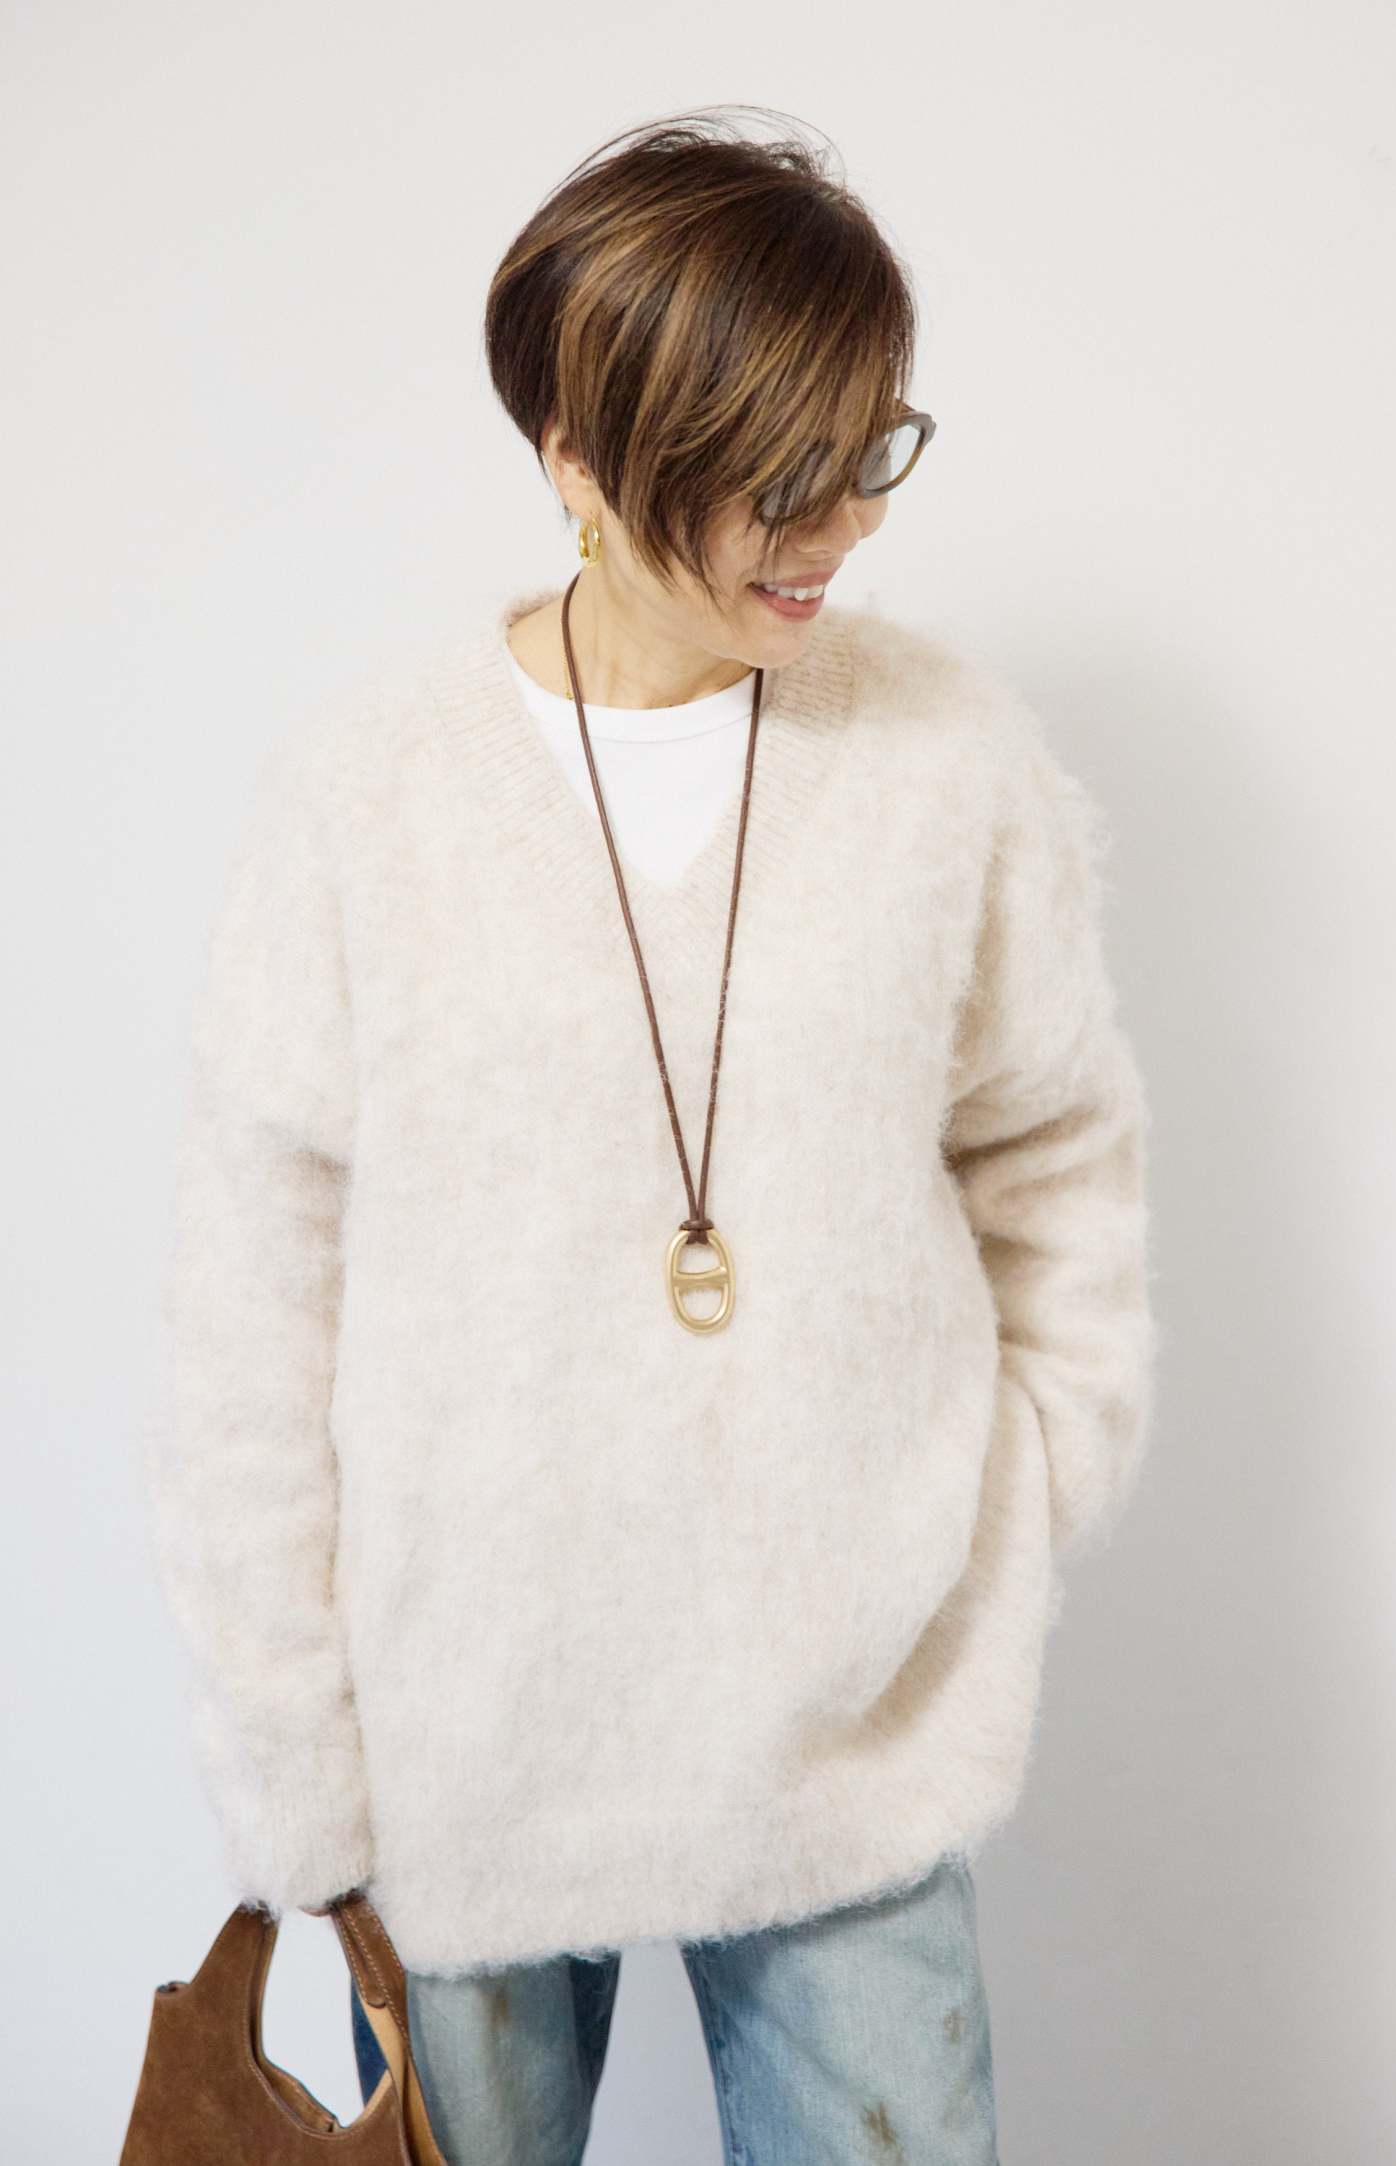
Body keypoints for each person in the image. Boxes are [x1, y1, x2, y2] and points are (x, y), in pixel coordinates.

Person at [143, 106, 1157, 2165]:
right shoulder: (368, 799)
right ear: (580, 465)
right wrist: (295, 1758)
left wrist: (1009, 1507)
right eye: (777, 478)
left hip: (853, 1747)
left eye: (869, 453)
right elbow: (252, 1306)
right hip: (462, 1757)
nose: (839, 528)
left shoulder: (946, 761)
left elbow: (1056, 1153)